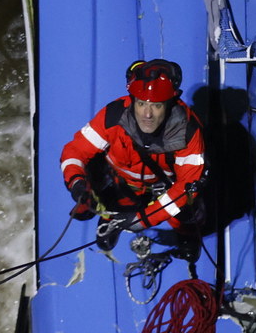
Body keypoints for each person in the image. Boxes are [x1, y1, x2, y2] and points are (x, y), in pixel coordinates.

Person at [60, 59, 206, 256]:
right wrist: (76, 183)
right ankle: (111, 220)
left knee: (187, 210)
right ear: (133, 100)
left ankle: (187, 235)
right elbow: (75, 151)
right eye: (141, 103)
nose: (147, 114)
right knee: (110, 201)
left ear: (169, 104)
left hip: (164, 188)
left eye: (156, 105)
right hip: (122, 183)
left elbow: (186, 186)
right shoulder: (112, 116)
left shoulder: (187, 132)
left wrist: (145, 218)